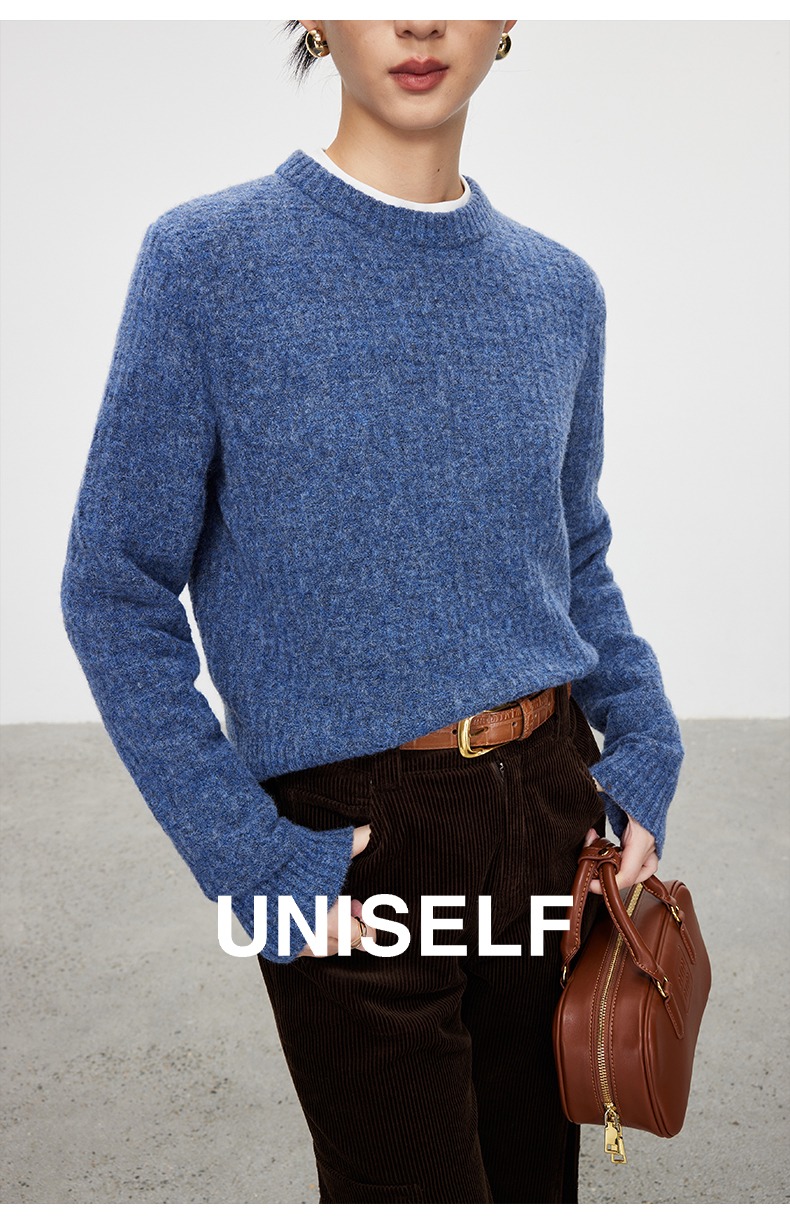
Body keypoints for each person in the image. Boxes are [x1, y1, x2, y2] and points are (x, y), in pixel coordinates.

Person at [61, 18, 684, 1205]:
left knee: (532, 1185)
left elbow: (574, 553)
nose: (419, 21)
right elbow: (113, 588)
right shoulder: (206, 263)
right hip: (350, 840)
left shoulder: (559, 290)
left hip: (551, 809)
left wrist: (644, 744)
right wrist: (248, 857)